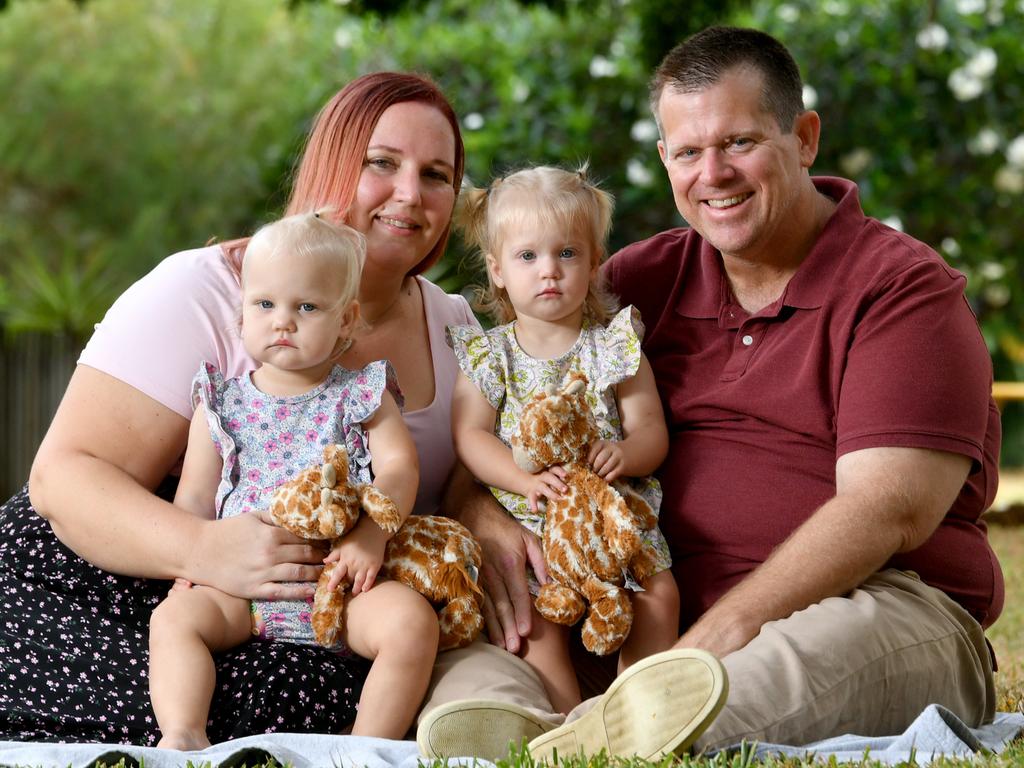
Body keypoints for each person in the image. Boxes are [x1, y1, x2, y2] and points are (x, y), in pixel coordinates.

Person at [416, 25, 1003, 762]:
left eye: (740, 143)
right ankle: (546, 727)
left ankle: (592, 739)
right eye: (688, 152)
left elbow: (887, 508)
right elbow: (501, 426)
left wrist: (707, 643)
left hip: (870, 608)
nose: (713, 173)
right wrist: (487, 515)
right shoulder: (633, 285)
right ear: (665, 160)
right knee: (475, 665)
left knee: (747, 683)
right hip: (635, 616)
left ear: (806, 138)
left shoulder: (899, 290)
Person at [0, 71, 474, 745]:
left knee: (344, 685)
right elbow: (61, 479)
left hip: (330, 599)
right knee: (225, 699)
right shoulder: (206, 289)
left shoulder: (455, 328)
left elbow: (466, 478)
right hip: (114, 579)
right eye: (382, 163)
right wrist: (207, 550)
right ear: (332, 162)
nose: (410, 194)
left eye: (437, 174)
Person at [149, 211, 436, 749]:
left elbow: (400, 469)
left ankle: (364, 746)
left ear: (346, 321)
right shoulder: (222, 403)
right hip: (242, 589)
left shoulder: (363, 394)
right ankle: (183, 733)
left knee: (412, 624)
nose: (283, 321)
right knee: (173, 621)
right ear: (243, 312)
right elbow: (194, 495)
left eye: (306, 307)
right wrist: (189, 562)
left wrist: (370, 534)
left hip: (340, 588)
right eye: (265, 304)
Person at [446, 165, 685, 714]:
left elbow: (651, 429)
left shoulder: (614, 347)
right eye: (528, 257)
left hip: (608, 521)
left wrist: (626, 453)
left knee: (659, 597)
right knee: (533, 619)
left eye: (567, 254)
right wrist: (520, 478)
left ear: (595, 262)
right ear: (498, 269)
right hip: (532, 523)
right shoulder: (490, 356)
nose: (548, 271)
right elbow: (471, 436)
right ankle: (561, 720)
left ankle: (639, 716)